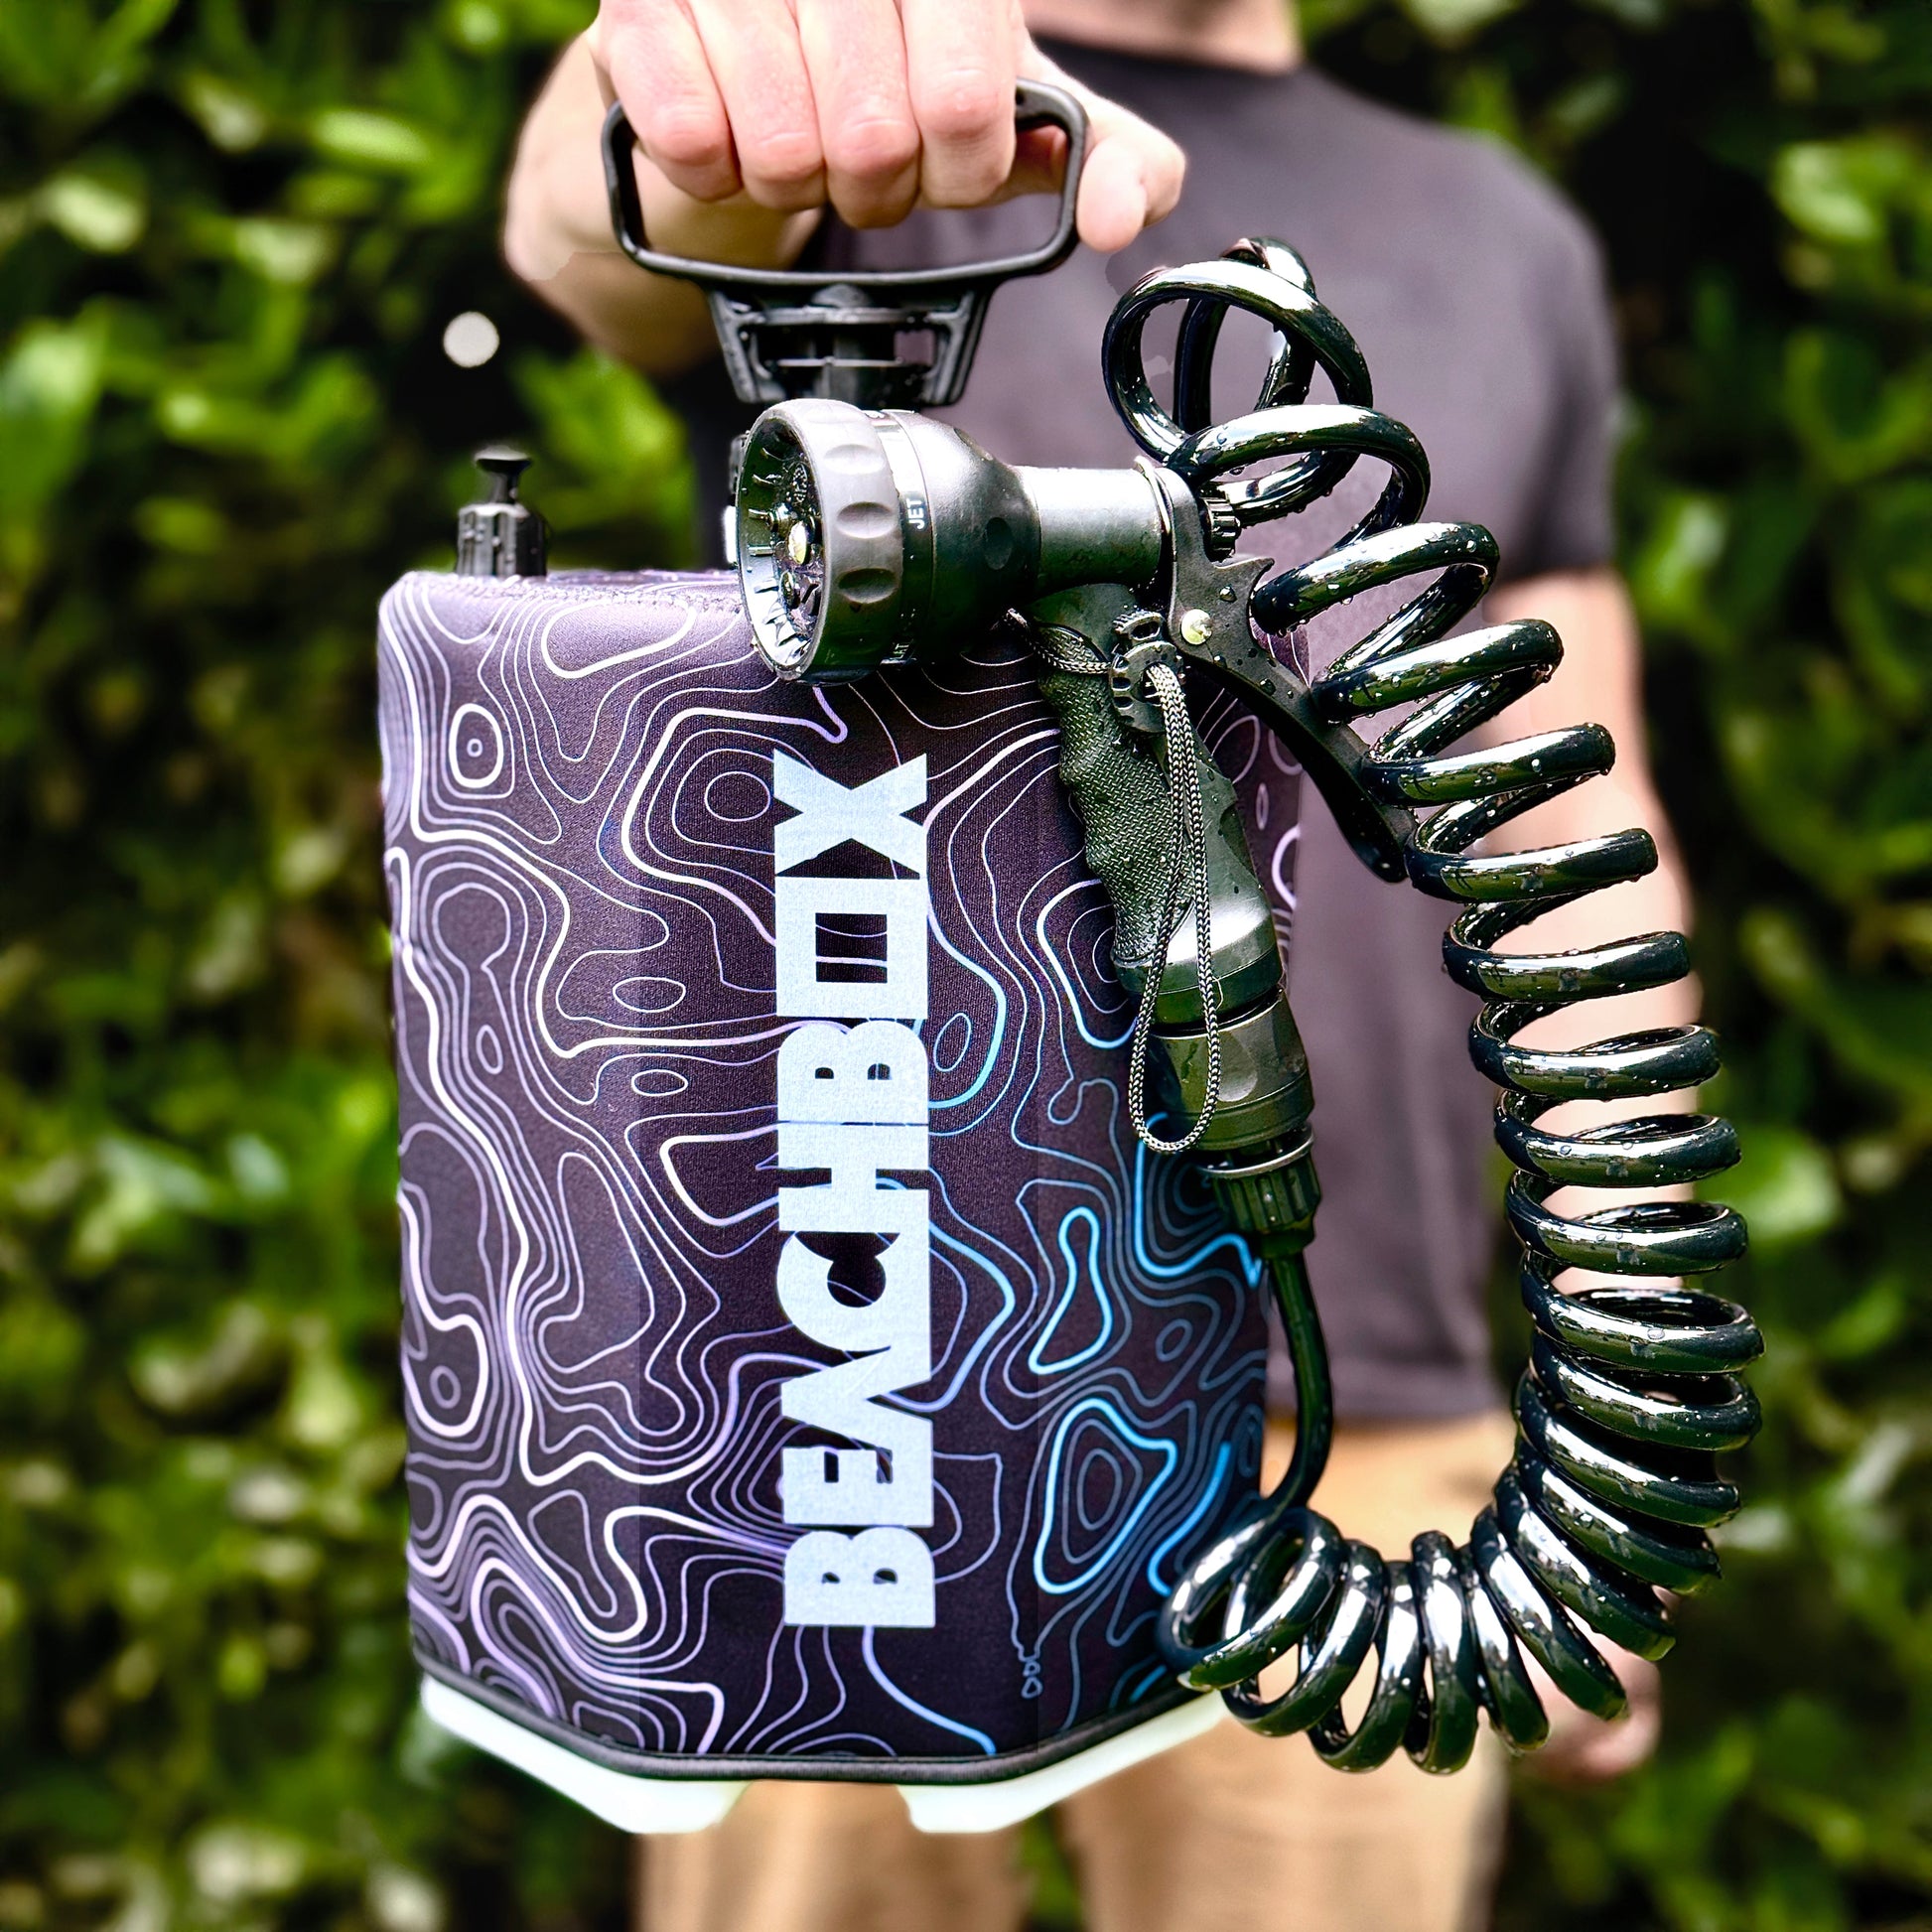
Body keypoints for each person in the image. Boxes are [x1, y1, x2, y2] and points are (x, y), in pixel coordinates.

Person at [502, 3, 1695, 1927]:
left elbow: (1567, 808)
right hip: (847, 1384)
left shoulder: (1501, 229)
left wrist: (1603, 1471)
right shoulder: (886, 111)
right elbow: (595, 215)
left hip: (1356, 1403)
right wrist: (710, 52)